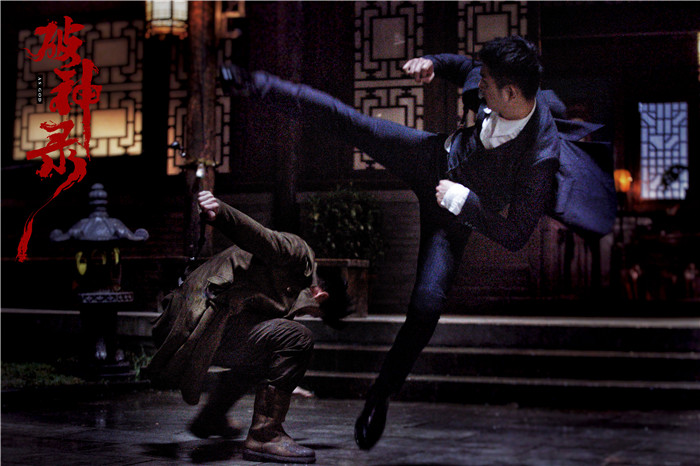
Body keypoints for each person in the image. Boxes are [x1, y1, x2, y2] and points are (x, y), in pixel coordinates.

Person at [220, 34, 612, 451]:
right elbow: (465, 68)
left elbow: (516, 234)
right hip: (431, 157)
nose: (481, 86)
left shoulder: (540, 158)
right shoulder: (499, 88)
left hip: (454, 213)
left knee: (426, 306)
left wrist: (466, 203)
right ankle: (251, 82)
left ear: (511, 93)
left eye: (488, 84)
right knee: (349, 121)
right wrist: (433, 62)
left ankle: (381, 394)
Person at [145, 191, 351, 464]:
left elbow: (266, 343)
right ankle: (266, 436)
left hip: (205, 325)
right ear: (321, 296)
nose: (307, 314)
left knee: (270, 348)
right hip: (195, 318)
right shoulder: (299, 254)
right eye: (315, 312)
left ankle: (211, 418)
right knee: (298, 338)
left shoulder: (286, 294)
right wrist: (221, 212)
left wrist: (286, 381)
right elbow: (261, 237)